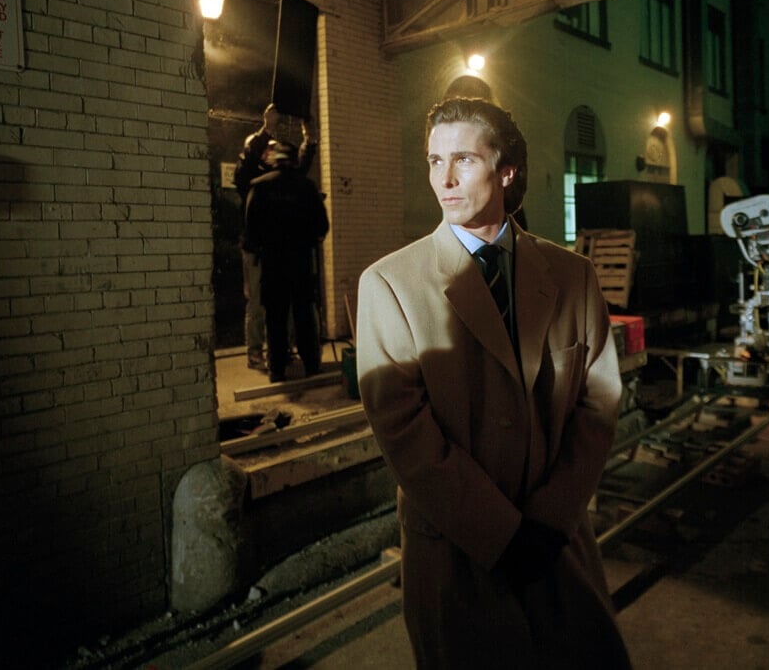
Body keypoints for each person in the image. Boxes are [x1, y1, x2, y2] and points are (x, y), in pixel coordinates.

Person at [355, 97, 631, 669]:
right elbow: (404, 431)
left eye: (463, 160)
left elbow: (599, 400)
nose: (444, 179)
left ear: (506, 171)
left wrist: (550, 518)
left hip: (556, 543)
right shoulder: (390, 284)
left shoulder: (572, 276)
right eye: (434, 161)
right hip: (457, 549)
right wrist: (501, 534)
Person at [242, 139, 329, 382]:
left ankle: (276, 369)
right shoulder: (307, 187)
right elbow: (322, 226)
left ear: (274, 160)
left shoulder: (259, 187)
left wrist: (258, 250)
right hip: (301, 263)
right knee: (303, 315)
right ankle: (311, 365)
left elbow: (250, 230)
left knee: (276, 317)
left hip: (272, 264)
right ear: (293, 160)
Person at [234, 105, 281, 371]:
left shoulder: (274, 178)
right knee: (256, 301)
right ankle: (254, 352)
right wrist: (267, 128)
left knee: (275, 300)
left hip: (275, 248)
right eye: (266, 149)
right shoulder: (249, 177)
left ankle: (279, 349)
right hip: (255, 248)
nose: (270, 153)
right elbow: (248, 163)